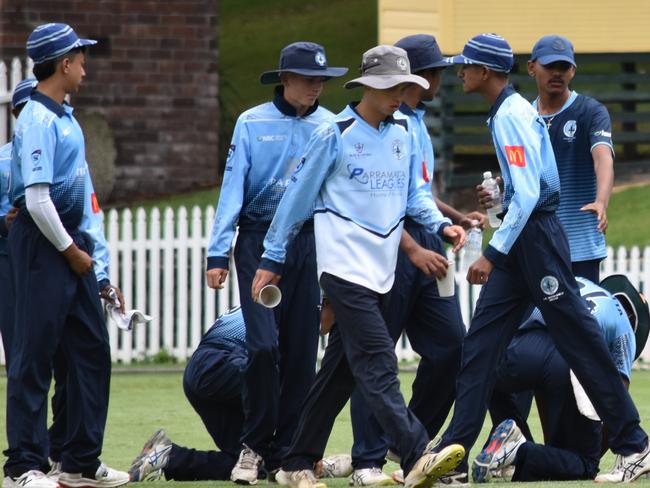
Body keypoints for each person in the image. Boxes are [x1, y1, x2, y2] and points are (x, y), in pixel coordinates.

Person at [429, 32, 650, 483]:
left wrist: (492, 253)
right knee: (481, 346)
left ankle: (635, 445)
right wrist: (502, 200)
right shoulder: (510, 111)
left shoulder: (512, 114)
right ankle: (455, 451)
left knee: (579, 342)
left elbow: (532, 194)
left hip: (538, 241)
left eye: (465, 66)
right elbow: (525, 188)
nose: (460, 73)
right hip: (527, 239)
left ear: (486, 72)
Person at [252, 44, 466, 488]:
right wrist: (272, 257)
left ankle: (294, 463)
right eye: (392, 86)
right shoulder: (335, 132)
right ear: (367, 85)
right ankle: (415, 454)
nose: (400, 94)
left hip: (383, 271)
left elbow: (414, 197)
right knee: (377, 360)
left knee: (340, 372)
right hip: (342, 270)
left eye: (406, 86)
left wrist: (441, 226)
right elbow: (296, 200)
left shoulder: (404, 130)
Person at [205, 41, 348, 484]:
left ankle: (290, 453)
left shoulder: (334, 125)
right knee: (264, 347)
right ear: (284, 79)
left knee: (303, 351)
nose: (316, 88)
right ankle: (253, 446)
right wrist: (218, 250)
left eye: (322, 80)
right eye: (308, 79)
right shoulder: (251, 123)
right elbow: (232, 187)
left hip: (310, 243)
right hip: (256, 243)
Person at [347, 34, 481, 487]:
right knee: (378, 356)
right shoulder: (385, 123)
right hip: (390, 245)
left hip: (427, 240)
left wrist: (452, 220)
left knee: (451, 346)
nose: (443, 79)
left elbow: (418, 192)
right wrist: (416, 242)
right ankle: (367, 460)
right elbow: (376, 202)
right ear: (421, 77)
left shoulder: (415, 121)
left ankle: (408, 441)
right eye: (439, 71)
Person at [4, 23, 129, 488]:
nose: (85, 67)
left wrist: (93, 263)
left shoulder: (64, 117)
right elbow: (36, 201)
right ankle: (24, 466)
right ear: (63, 63)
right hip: (45, 246)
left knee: (91, 353)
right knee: (34, 357)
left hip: (69, 245)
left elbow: (82, 194)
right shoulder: (36, 119)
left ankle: (78, 462)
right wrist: (73, 252)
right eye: (80, 59)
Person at [127, 307, 353, 483]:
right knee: (295, 391)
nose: (334, 327)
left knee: (254, 465)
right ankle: (307, 464)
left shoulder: (281, 295)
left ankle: (168, 456)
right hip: (223, 364)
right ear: (324, 303)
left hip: (203, 372)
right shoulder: (300, 310)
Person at [474, 275, 648, 483]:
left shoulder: (581, 282)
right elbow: (617, 402)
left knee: (491, 379)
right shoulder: (624, 325)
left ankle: (512, 439)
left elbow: (542, 388)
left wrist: (551, 447)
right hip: (569, 360)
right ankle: (518, 450)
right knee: (584, 465)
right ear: (632, 318)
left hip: (519, 344)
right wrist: (590, 456)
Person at [478, 35, 613, 283]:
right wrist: (501, 188)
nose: (557, 73)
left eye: (563, 67)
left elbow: (602, 159)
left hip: (579, 245)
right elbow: (527, 176)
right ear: (531, 67)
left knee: (578, 319)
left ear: (573, 71)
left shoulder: (590, 111)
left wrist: (601, 201)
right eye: (549, 66)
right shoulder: (522, 115)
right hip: (532, 245)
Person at [0, 78, 37, 366]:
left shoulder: (61, 151)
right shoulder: (2, 161)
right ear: (15, 114)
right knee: (18, 347)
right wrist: (5, 224)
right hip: (9, 259)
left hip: (50, 257)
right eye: (28, 108)